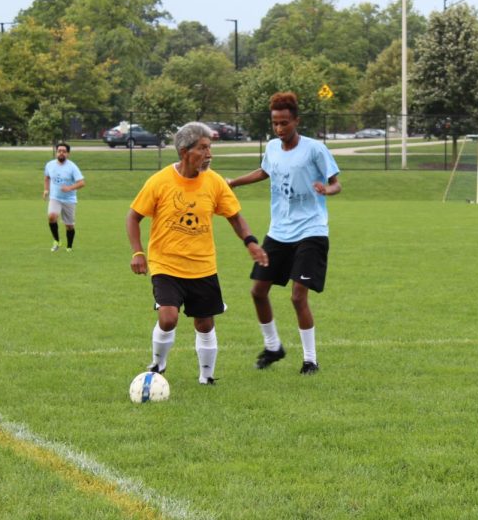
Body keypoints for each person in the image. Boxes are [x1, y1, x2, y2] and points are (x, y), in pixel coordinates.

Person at [126, 122, 268, 385]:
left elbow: (235, 217)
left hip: (203, 266)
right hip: (166, 263)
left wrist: (250, 242)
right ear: (184, 151)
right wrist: (138, 252)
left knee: (204, 324)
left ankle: (207, 376)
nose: (209, 154)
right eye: (202, 148)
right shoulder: (159, 182)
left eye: (210, 148)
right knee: (168, 318)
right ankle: (158, 364)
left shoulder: (214, 182)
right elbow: (133, 217)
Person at [227, 91, 341, 375]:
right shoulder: (273, 148)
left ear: (296, 121)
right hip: (279, 232)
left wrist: (327, 189)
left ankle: (310, 360)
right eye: (275, 123)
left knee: (297, 297)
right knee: (257, 291)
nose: (279, 129)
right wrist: (235, 182)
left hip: (311, 230)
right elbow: (265, 171)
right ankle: (273, 346)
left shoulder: (315, 149)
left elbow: (336, 183)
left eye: (284, 123)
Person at [43, 142, 85, 252]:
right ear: (56, 153)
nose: (61, 153)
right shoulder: (50, 165)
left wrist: (69, 188)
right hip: (55, 198)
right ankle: (57, 241)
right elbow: (47, 178)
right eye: (59, 151)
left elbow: (81, 183)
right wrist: (46, 190)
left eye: (64, 151)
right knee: (52, 217)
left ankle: (69, 247)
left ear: (68, 154)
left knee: (69, 226)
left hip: (69, 199)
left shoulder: (72, 167)